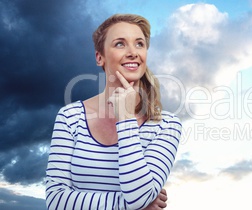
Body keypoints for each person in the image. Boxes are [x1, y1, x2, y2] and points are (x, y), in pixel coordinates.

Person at [45, 14, 181, 210]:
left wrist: (125, 120)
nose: (133, 52)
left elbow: (139, 196)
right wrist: (133, 206)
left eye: (139, 44)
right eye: (120, 44)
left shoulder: (166, 125)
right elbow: (56, 201)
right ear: (99, 57)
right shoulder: (70, 117)